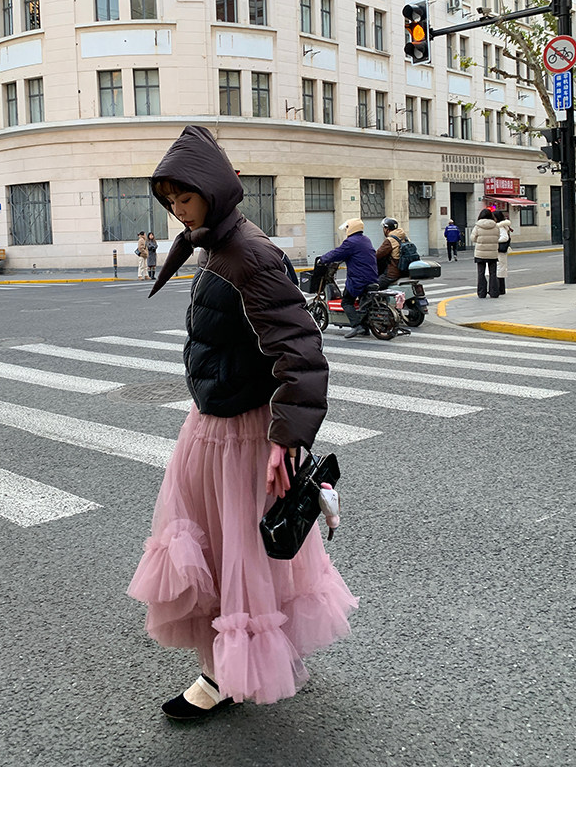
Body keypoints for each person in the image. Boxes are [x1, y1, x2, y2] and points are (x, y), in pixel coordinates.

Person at [127, 125, 358, 719]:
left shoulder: (249, 255)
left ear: (212, 190)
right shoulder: (218, 245)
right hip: (213, 423)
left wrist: (286, 438)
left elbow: (301, 352)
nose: (179, 211)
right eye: (170, 202)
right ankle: (256, 658)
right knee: (227, 550)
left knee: (238, 554)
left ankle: (222, 675)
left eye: (185, 198)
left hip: (245, 433)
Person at [319, 218, 379, 338]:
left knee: (346, 301)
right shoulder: (365, 239)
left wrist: (323, 259)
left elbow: (337, 253)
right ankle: (365, 327)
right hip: (372, 276)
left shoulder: (351, 242)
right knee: (363, 303)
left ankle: (357, 326)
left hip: (359, 279)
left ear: (351, 228)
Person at [471, 208, 500, 298]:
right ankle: (494, 292)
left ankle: (481, 292)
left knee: (481, 273)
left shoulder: (478, 226)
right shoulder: (495, 226)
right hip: (493, 253)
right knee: (493, 273)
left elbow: (473, 238)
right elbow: (498, 237)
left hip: (480, 252)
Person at [375, 217, 410, 289]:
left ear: (386, 229)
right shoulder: (404, 238)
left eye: (384, 228)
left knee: (374, 286)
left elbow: (377, 255)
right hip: (405, 271)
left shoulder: (390, 240)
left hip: (393, 273)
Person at [493, 209, 514, 295]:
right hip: (501, 251)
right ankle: (501, 289)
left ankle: (499, 289)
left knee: (499, 269)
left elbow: (505, 237)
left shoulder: (500, 227)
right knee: (500, 269)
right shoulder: (503, 226)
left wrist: (495, 241)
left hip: (500, 251)